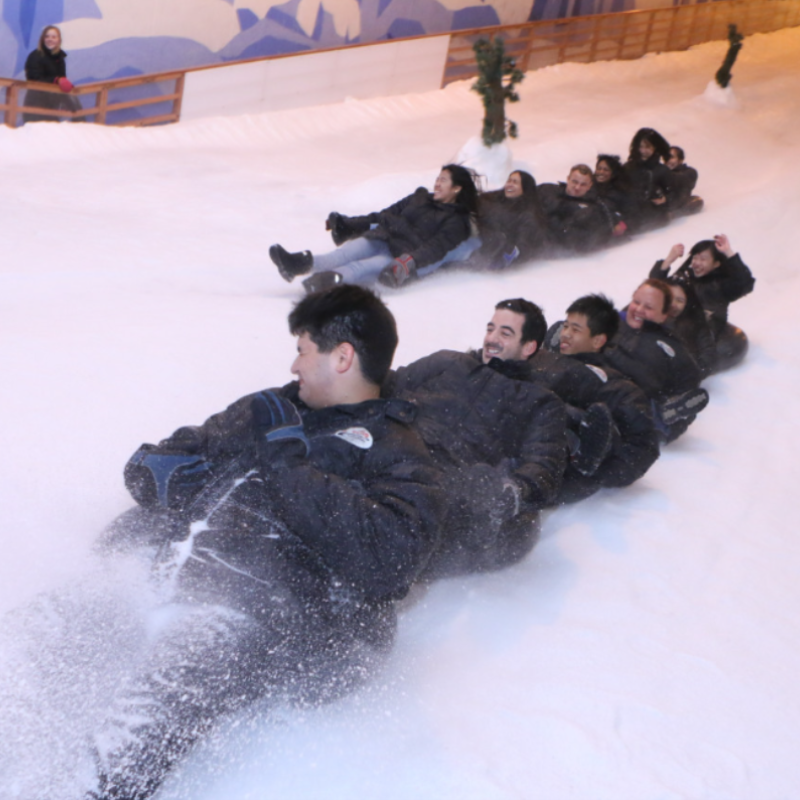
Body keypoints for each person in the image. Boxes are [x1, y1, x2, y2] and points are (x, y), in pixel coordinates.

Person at [86, 285, 445, 800]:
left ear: (343, 357)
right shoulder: (274, 408)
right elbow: (179, 450)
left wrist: (288, 467)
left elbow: (387, 559)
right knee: (37, 638)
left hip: (263, 617)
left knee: (150, 706)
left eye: (303, 349)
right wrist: (157, 472)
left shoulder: (398, 452)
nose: (294, 365)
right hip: (166, 575)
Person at [384, 300, 567, 579]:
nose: (491, 339)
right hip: (395, 447)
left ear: (529, 347)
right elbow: (387, 383)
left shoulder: (539, 402)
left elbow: (543, 465)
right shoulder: (448, 362)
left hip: (448, 481)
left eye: (505, 333)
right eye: (490, 329)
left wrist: (513, 491)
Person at [524, 295, 660, 503]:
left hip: (555, 461)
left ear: (598, 340)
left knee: (560, 413)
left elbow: (644, 446)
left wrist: (598, 472)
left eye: (576, 330)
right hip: (510, 430)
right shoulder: (537, 358)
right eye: (566, 326)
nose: (566, 334)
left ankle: (582, 450)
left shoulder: (614, 385)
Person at [269, 165, 479, 292]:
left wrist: (409, 262)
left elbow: (435, 249)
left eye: (443, 180)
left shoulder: (456, 221)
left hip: (400, 255)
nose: (437, 184)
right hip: (382, 237)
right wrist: (350, 224)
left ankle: (323, 283)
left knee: (359, 268)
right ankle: (294, 264)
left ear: (456, 188)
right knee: (341, 255)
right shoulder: (419, 197)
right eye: (437, 178)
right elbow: (383, 215)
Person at [604, 279, 707, 441]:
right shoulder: (608, 323)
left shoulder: (672, 349)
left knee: (631, 401)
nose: (639, 309)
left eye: (649, 307)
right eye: (636, 302)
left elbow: (688, 385)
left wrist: (673, 418)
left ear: (664, 315)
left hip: (636, 404)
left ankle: (659, 415)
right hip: (596, 386)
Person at [649, 234, 754, 372]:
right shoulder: (685, 277)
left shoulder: (720, 285)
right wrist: (669, 260)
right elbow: (655, 288)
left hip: (701, 331)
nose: (697, 263)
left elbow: (744, 283)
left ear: (716, 264)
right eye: (695, 258)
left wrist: (728, 253)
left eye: (703, 259)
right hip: (676, 323)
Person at [468, 170, 551, 269]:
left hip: (494, 249)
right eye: (509, 181)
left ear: (525, 188)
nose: (510, 185)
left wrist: (505, 258)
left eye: (515, 182)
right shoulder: (490, 199)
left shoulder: (529, 214)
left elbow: (524, 246)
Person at [538, 164, 615, 253]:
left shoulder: (592, 210)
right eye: (575, 182)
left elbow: (577, 241)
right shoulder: (547, 190)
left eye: (583, 184)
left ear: (589, 186)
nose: (577, 187)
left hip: (552, 251)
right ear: (568, 179)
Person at [23, 25, 77, 123]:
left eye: (53, 37)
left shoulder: (60, 58)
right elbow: (33, 78)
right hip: (35, 104)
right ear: (42, 39)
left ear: (59, 40)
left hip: (52, 105)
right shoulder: (35, 56)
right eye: (47, 36)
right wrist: (55, 80)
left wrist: (65, 102)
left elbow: (62, 79)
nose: (50, 39)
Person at [624, 128, 673, 231]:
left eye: (647, 147)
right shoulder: (628, 167)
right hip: (630, 209)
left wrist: (664, 199)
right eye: (640, 147)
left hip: (653, 211)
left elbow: (672, 191)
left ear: (655, 147)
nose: (643, 151)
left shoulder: (661, 170)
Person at [593, 154, 636, 237]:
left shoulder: (621, 192)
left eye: (606, 170)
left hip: (612, 234)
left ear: (613, 173)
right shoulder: (588, 186)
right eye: (599, 168)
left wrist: (623, 226)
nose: (601, 172)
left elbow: (633, 216)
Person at [665, 145, 704, 216]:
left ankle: (672, 214)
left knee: (697, 200)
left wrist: (666, 174)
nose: (668, 160)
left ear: (680, 160)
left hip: (678, 203)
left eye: (672, 157)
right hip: (662, 203)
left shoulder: (690, 172)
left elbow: (683, 180)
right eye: (666, 158)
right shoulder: (660, 171)